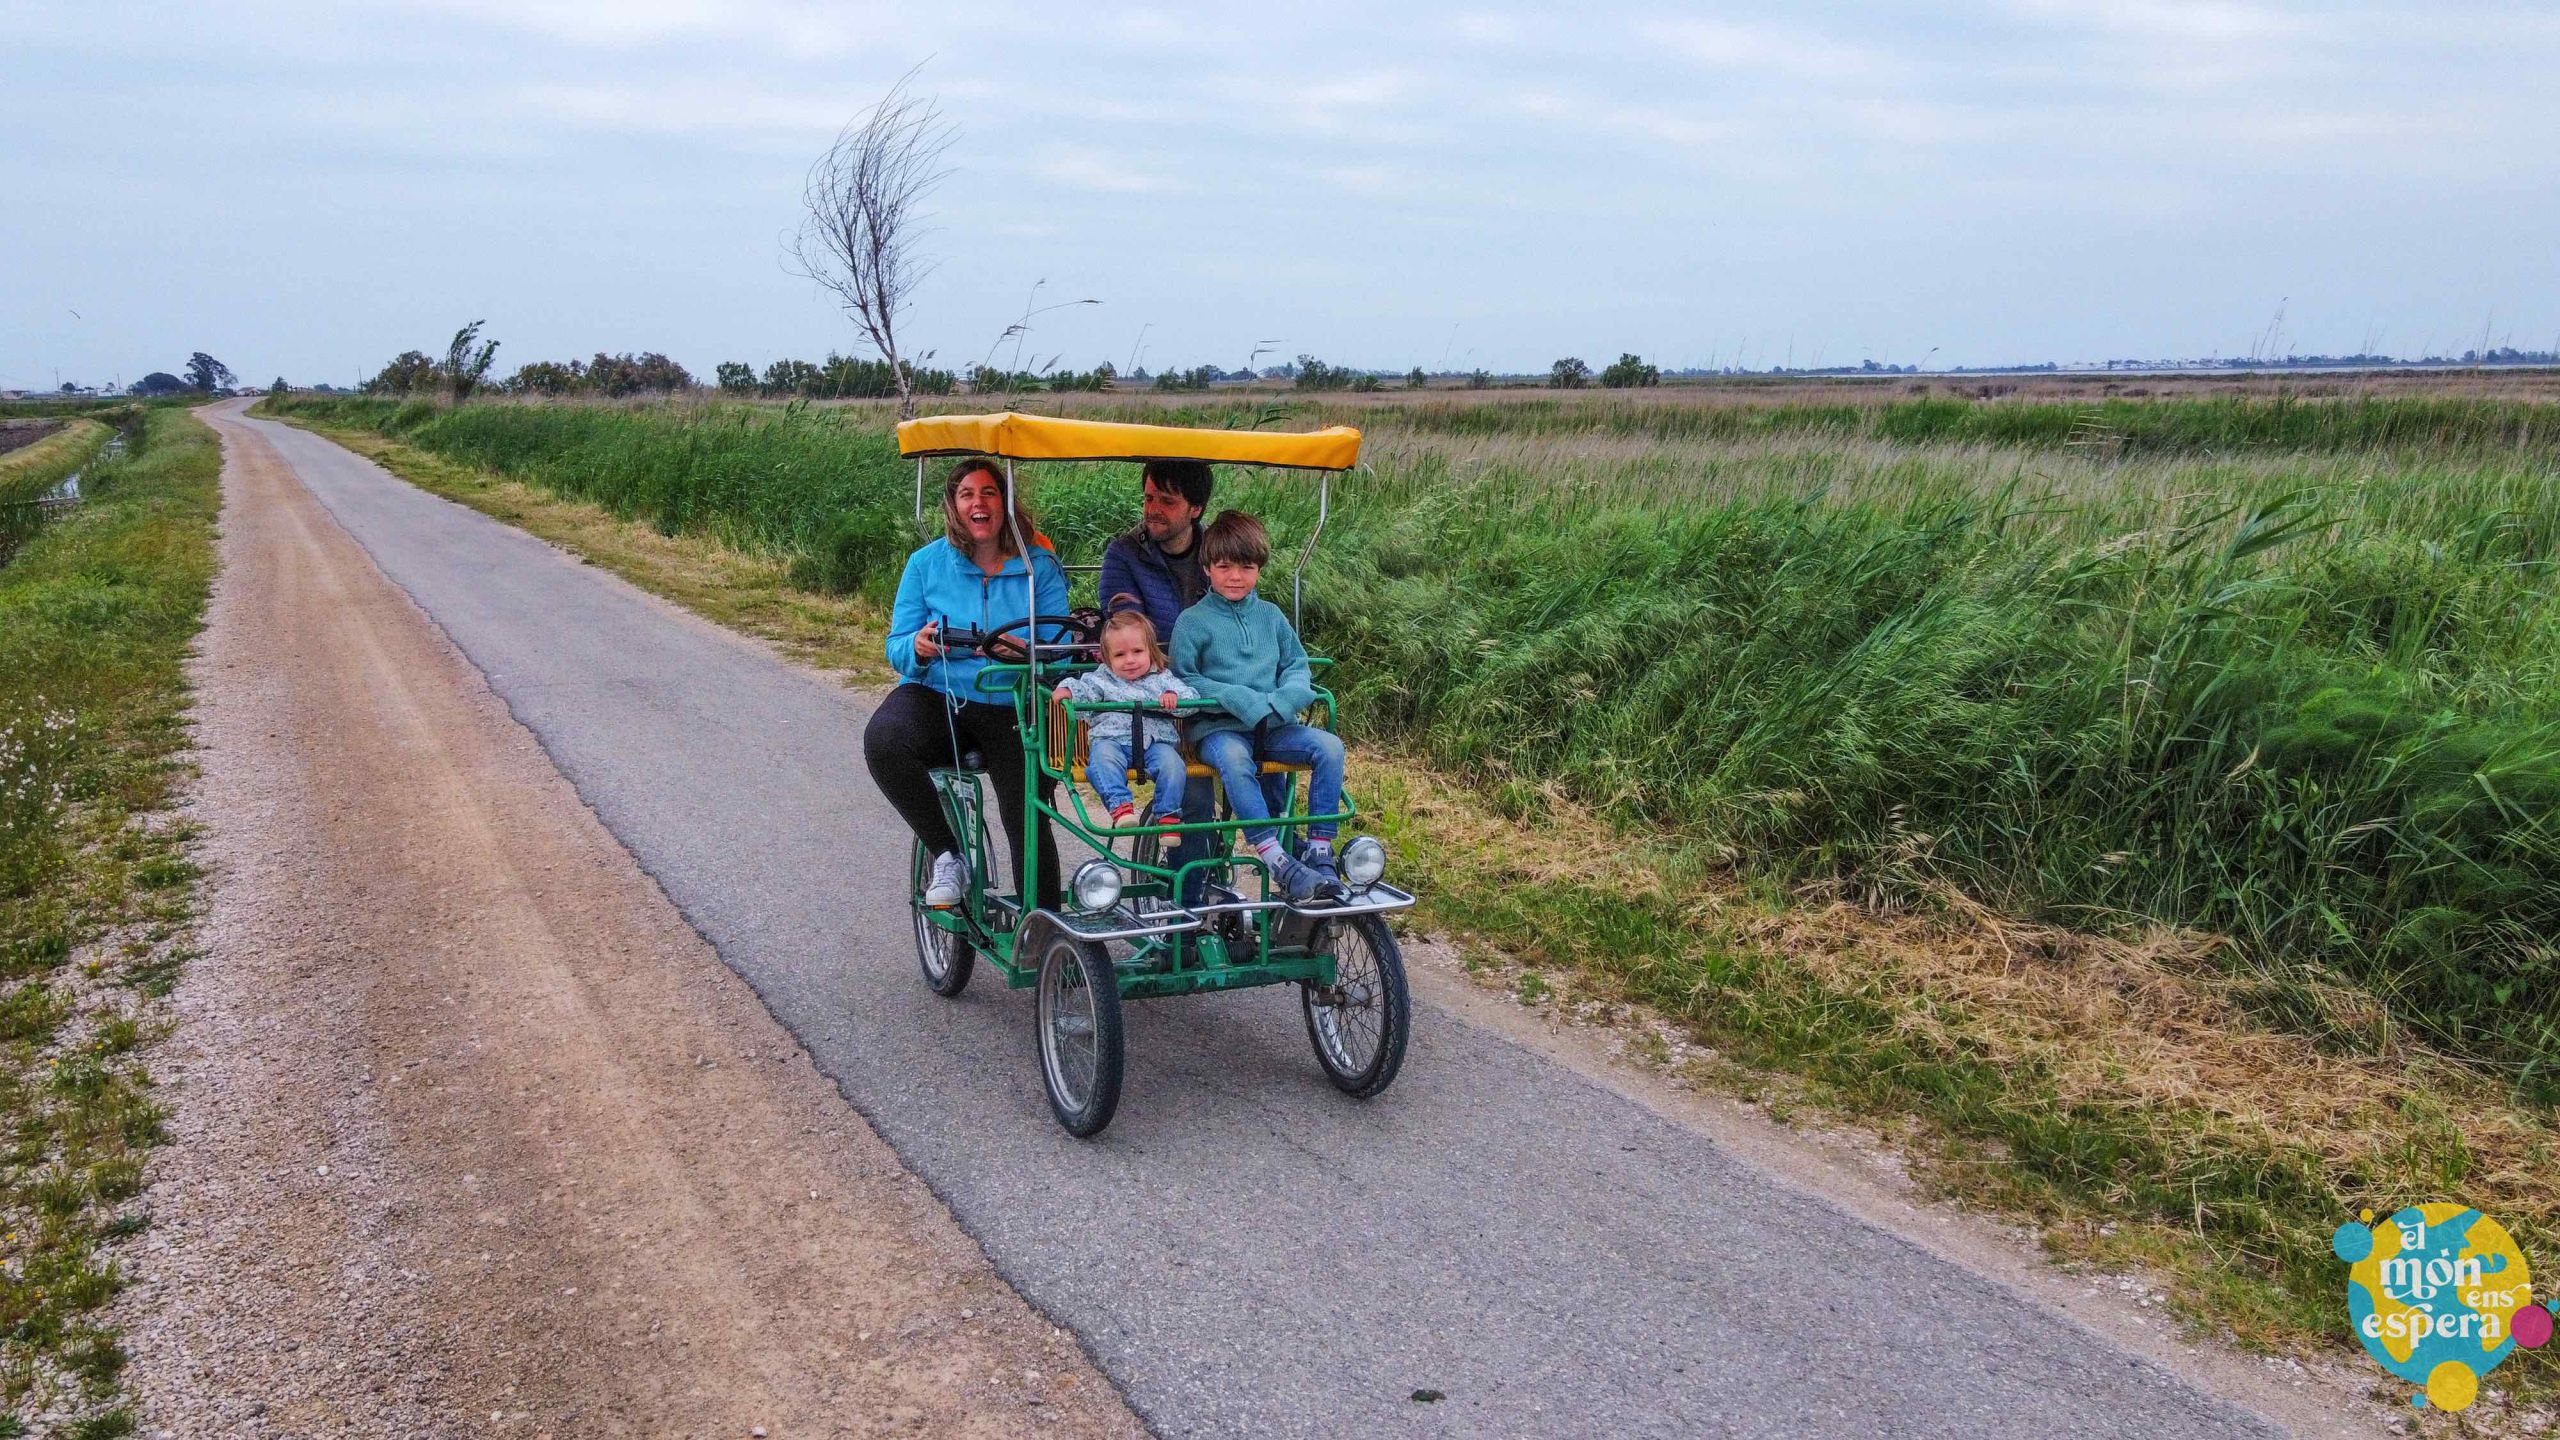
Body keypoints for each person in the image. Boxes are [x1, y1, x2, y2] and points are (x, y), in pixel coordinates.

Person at [865, 459, 1068, 911]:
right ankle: (947, 853)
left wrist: (1028, 653)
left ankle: (1045, 928)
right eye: (967, 494)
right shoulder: (925, 564)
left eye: (989, 493)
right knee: (884, 740)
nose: (979, 503)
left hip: (1015, 700)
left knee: (1028, 815)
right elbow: (896, 644)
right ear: (953, 507)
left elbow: (1063, 645)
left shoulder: (1040, 565)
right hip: (941, 693)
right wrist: (917, 647)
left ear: (1007, 502)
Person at [1170, 510, 1346, 904]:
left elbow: (1297, 666)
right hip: (1217, 729)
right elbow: (1183, 678)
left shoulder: (1271, 616)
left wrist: (1283, 701)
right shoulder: (1192, 621)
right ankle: (1275, 855)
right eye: (1224, 566)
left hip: (1273, 725)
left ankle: (1319, 851)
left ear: (1260, 570)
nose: (1235, 576)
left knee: (1329, 747)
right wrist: (1237, 697)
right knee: (1235, 759)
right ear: (1207, 569)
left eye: (1247, 567)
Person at [1051, 611, 1196, 828]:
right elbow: (1084, 687)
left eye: (1137, 651)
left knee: (1173, 765)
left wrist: (1174, 698)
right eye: (1120, 655)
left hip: (1155, 742)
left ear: (1151, 651)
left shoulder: (1163, 678)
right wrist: (1067, 690)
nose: (1130, 660)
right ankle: (1120, 807)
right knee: (1102, 759)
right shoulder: (1103, 678)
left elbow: (1191, 699)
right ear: (1107, 658)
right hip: (1112, 740)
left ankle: (1168, 815)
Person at [1098, 459, 1212, 640]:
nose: (1153, 510)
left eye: (1167, 501)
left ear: (1196, 509)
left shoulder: (1220, 551)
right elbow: (1129, 637)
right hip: (1153, 667)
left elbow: (1241, 615)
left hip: (1216, 664)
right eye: (1149, 498)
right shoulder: (1123, 555)